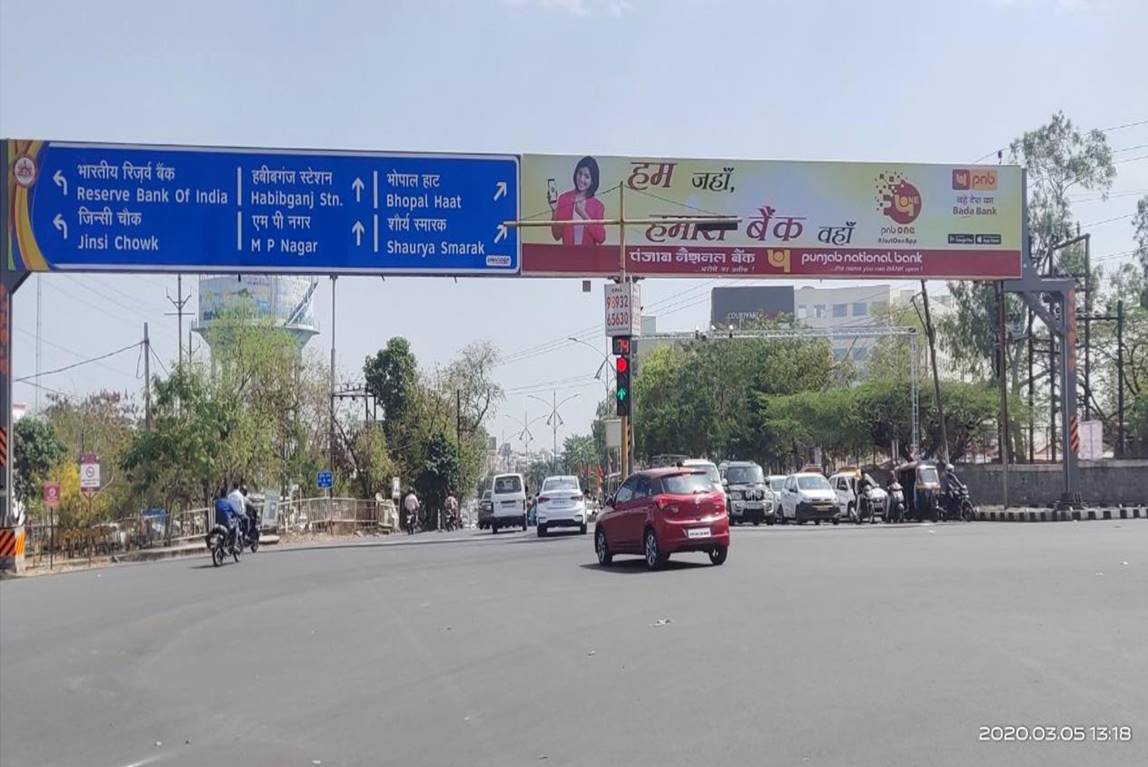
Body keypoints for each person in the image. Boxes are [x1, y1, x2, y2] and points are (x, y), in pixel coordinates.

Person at [550, 156, 606, 247]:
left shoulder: (598, 206)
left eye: (587, 176)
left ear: (592, 181)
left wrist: (583, 214)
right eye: (580, 174)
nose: (581, 179)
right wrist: (554, 211)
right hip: (567, 256)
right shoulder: (564, 199)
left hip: (589, 258)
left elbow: (601, 238)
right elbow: (557, 235)